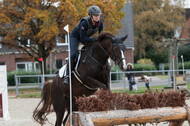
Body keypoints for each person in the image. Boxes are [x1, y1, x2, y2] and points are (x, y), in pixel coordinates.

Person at [63, 5, 103, 84]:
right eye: (95, 15)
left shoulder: (100, 24)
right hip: (76, 38)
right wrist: (93, 40)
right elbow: (82, 39)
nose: (97, 17)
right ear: (91, 15)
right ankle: (67, 75)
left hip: (86, 38)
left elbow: (100, 37)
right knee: (74, 54)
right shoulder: (84, 23)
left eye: (98, 15)